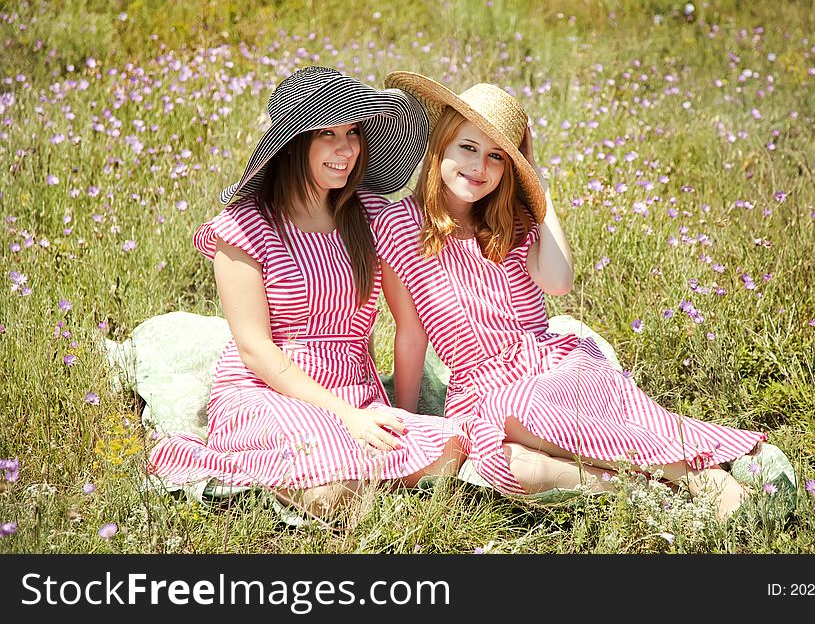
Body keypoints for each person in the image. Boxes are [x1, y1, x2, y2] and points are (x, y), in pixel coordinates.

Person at [372, 71, 768, 521]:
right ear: (441, 144)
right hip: (478, 390)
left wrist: (538, 189)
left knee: (517, 406)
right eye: (467, 148)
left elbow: (558, 283)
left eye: (497, 157)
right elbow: (409, 333)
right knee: (511, 467)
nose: (479, 167)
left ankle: (694, 469)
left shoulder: (513, 223)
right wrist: (410, 424)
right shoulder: (397, 225)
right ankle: (645, 488)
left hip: (549, 368)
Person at [148, 67, 465, 521]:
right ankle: (317, 476)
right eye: (328, 133)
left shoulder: (369, 214)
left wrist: (401, 416)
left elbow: (410, 325)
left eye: (353, 132)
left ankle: (349, 472)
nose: (346, 149)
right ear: (294, 143)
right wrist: (346, 416)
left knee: (453, 446)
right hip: (267, 390)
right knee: (331, 490)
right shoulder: (244, 227)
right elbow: (256, 352)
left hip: (353, 386)